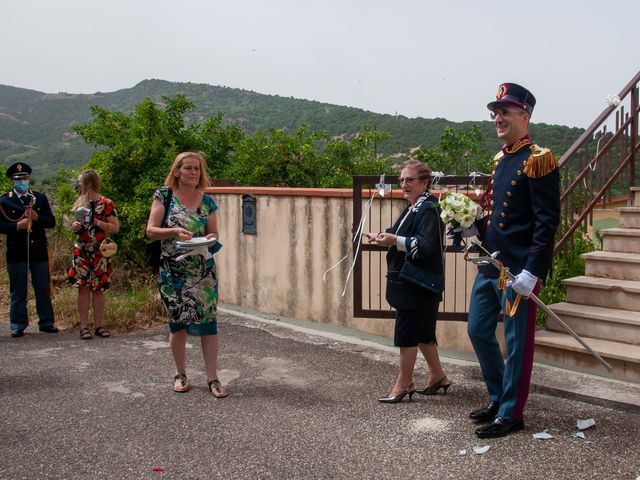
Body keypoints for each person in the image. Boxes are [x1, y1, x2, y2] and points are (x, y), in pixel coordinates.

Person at [467, 83, 560, 438]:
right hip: (492, 263)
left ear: (525, 115)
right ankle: (497, 397)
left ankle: (511, 413)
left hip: (518, 269)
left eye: (505, 111)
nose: (498, 118)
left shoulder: (539, 160)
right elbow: (495, 215)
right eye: (496, 112)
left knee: (518, 342)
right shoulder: (501, 159)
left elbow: (545, 221)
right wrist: (470, 224)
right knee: (477, 329)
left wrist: (533, 271)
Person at [366, 159, 449, 403]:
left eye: (410, 180)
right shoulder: (414, 207)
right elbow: (398, 232)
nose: (404, 184)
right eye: (401, 180)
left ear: (424, 182)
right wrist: (382, 236)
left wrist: (394, 241)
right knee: (423, 333)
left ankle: (404, 384)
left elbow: (424, 247)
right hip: (420, 282)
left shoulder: (428, 209)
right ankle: (437, 376)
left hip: (416, 283)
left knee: (407, 333)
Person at [146, 151, 227, 398]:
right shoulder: (164, 195)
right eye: (188, 168)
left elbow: (214, 234)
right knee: (178, 325)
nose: (194, 172)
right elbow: (151, 231)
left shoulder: (208, 202)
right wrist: (173, 232)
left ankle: (213, 378)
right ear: (177, 171)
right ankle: (180, 374)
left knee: (208, 326)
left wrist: (209, 238)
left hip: (203, 272)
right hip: (173, 272)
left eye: (197, 169)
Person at [0, 162, 57, 337]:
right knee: (18, 289)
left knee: (42, 287)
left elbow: (51, 222)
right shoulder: (4, 200)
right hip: (17, 252)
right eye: (18, 179)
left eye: (24, 178)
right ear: (12, 180)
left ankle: (46, 322)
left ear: (29, 179)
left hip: (38, 251)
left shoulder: (39, 198)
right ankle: (18, 324)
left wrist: (37, 217)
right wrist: (17, 225)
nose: (22, 181)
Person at [67, 169, 120, 340]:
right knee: (83, 288)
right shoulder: (79, 203)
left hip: (99, 251)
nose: (78, 185)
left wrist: (95, 221)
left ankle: (98, 325)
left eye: (80, 182)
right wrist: (76, 225)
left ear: (88, 183)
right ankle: (83, 326)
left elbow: (115, 227)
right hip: (81, 249)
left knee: (98, 289)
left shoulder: (106, 203)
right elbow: (77, 226)